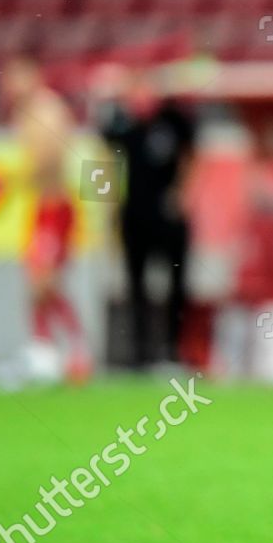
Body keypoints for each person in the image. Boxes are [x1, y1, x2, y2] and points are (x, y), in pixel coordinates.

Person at [96, 67, 196, 369]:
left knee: (176, 284)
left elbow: (192, 156)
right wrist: (105, 202)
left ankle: (173, 352)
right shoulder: (121, 122)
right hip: (133, 216)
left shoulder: (173, 119)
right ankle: (140, 355)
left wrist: (182, 193)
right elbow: (103, 157)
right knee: (135, 285)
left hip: (168, 218)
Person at [2, 58, 89, 381]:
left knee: (45, 283)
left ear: (33, 77)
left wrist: (9, 181)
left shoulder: (47, 110)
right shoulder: (22, 113)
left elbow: (50, 159)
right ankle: (43, 352)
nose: (9, 87)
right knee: (35, 284)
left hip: (56, 206)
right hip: (42, 207)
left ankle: (77, 351)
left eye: (15, 79)